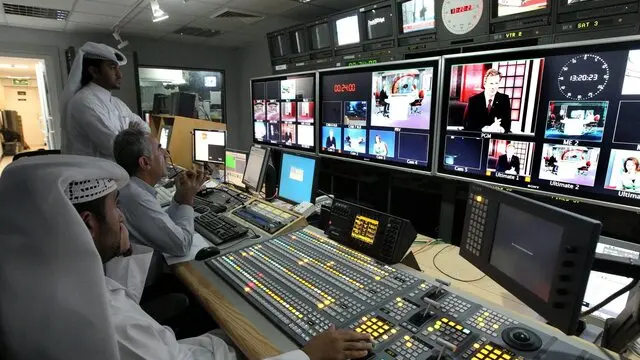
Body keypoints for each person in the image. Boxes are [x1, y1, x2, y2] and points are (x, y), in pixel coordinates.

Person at [0, 155, 374, 360]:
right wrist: (307, 356)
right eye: (116, 208)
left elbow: (124, 303)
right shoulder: (101, 322)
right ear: (87, 225)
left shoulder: (42, 286)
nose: (123, 216)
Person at [60, 42, 150, 160]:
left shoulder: (117, 103)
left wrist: (127, 135)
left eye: (118, 68)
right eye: (112, 68)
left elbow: (146, 129)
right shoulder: (84, 102)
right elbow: (114, 146)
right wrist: (131, 133)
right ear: (94, 71)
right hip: (94, 175)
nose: (120, 75)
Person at [463, 69, 512, 133]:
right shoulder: (474, 100)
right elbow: (468, 124)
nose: (493, 87)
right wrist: (486, 128)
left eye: (496, 83)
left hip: (496, 136)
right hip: (478, 137)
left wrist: (500, 129)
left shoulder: (504, 99)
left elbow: (507, 124)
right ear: (485, 84)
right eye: (491, 83)